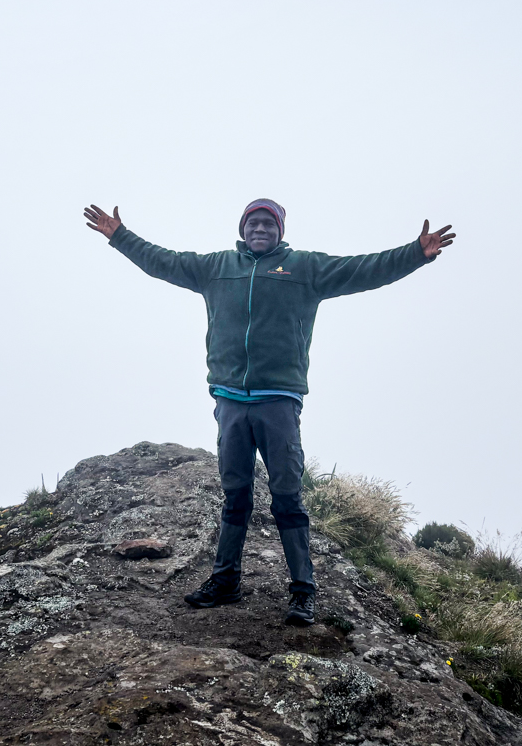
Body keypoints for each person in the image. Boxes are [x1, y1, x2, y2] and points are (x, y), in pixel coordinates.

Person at [83, 199, 454, 625]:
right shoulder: (215, 267)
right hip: (230, 401)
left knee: (287, 498)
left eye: (268, 223)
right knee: (235, 495)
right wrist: (119, 236)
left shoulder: (305, 268)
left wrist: (415, 253)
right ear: (243, 229)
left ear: (280, 229)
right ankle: (225, 581)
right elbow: (162, 262)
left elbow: (363, 269)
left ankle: (303, 592)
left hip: (278, 400)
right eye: (253, 222)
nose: (261, 228)